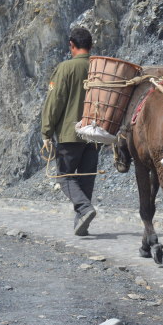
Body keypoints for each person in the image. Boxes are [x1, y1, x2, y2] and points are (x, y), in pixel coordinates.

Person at [41, 27, 99, 236]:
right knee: (85, 178)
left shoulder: (65, 68)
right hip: (94, 134)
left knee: (64, 177)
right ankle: (81, 223)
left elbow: (54, 102)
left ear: (71, 45)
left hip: (70, 134)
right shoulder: (99, 69)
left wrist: (46, 132)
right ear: (91, 46)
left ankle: (84, 210)